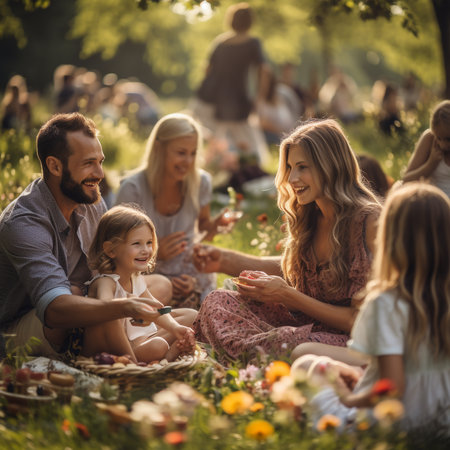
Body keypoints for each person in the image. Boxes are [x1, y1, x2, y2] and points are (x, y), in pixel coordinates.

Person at [192, 119, 381, 360]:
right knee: (218, 301)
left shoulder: (369, 222)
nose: (292, 178)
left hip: (352, 339)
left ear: (331, 165)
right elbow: (290, 268)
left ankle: (238, 357)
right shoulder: (311, 214)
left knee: (285, 341)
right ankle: (248, 356)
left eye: (303, 167)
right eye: (290, 168)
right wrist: (225, 261)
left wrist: (287, 295)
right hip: (304, 325)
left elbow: (362, 321)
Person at [0, 113, 171, 359]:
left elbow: (109, 270)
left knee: (158, 286)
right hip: (25, 326)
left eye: (100, 162)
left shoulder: (88, 200)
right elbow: (54, 310)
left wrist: (126, 295)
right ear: (55, 166)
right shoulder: (23, 223)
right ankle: (122, 355)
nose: (100, 173)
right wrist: (122, 306)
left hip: (84, 297)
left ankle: (126, 347)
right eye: (89, 163)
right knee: (89, 300)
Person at [293, 183, 450, 432]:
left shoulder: (387, 302)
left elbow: (393, 387)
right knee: (340, 367)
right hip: (442, 421)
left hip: (391, 423)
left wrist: (349, 399)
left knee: (305, 365)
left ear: (390, 238)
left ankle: (301, 431)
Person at [114, 113, 233, 308]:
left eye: (193, 153)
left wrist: (216, 226)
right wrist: (155, 252)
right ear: (159, 149)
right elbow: (116, 250)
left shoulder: (200, 182)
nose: (188, 161)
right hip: (145, 272)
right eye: (181, 152)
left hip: (187, 271)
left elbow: (202, 230)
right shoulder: (133, 189)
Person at [84, 204, 196, 362]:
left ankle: (165, 358)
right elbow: (105, 308)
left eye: (149, 243)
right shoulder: (105, 282)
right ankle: (135, 363)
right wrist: (127, 307)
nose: (146, 250)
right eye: (137, 244)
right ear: (111, 250)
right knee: (116, 314)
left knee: (192, 316)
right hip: (114, 348)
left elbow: (157, 308)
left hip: (139, 341)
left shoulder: (135, 278)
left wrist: (175, 328)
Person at [192, 2, 270, 165]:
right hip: (235, 99)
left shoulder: (220, 42)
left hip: (209, 97)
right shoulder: (252, 43)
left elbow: (207, 69)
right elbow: (264, 70)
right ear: (250, 22)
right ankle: (253, 170)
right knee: (247, 140)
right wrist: (259, 98)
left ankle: (210, 167)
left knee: (216, 137)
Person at [403, 100, 450, 197]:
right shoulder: (429, 138)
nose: (443, 145)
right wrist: (430, 164)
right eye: (439, 138)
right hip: (432, 203)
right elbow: (406, 180)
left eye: (448, 139)